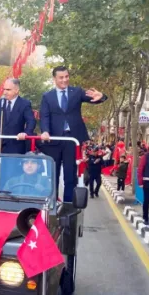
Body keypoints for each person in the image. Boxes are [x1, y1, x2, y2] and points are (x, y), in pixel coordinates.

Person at [39, 66, 107, 202]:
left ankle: (68, 206)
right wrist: (45, 131)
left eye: (66, 76)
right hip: (54, 140)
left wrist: (102, 97)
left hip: (72, 140)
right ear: (54, 79)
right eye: (61, 77)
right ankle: (52, 204)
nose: (65, 80)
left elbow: (94, 98)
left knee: (70, 176)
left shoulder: (76, 92)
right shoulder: (47, 96)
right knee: (53, 174)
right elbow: (44, 116)